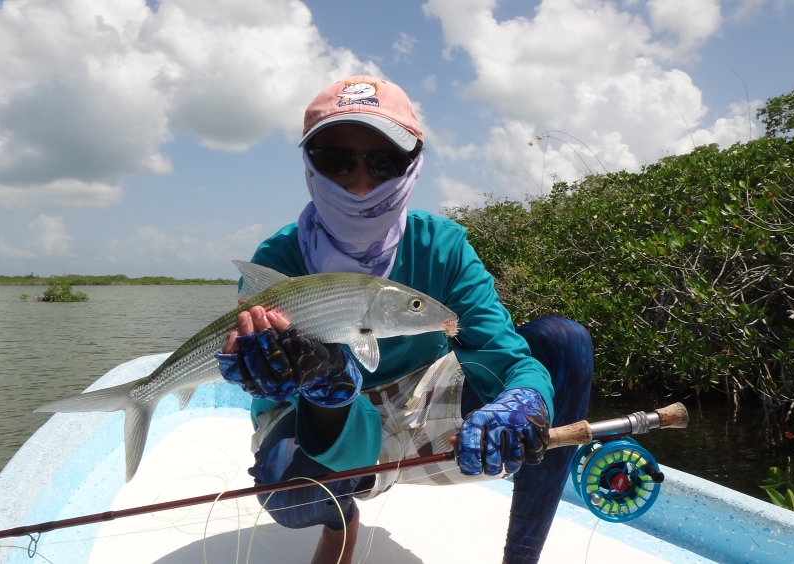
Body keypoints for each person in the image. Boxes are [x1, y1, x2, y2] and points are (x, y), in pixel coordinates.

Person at [215, 76, 593, 564]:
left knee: (563, 343)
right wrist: (319, 384)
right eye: (336, 159)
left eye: (384, 161)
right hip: (323, 415)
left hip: (424, 394)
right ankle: (339, 518)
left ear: (411, 164)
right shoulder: (276, 260)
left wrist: (526, 397)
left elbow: (507, 358)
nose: (360, 182)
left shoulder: (443, 246)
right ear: (309, 162)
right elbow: (276, 396)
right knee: (289, 488)